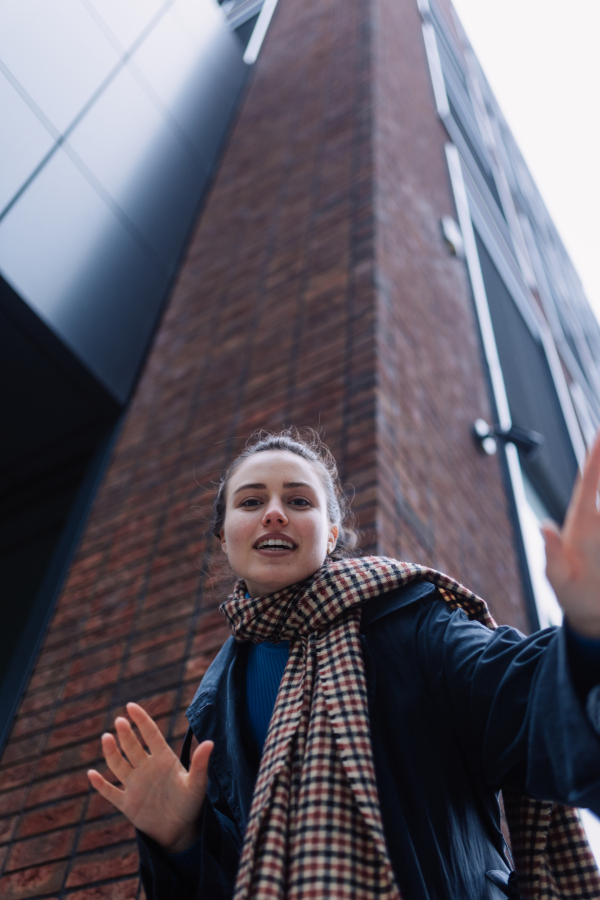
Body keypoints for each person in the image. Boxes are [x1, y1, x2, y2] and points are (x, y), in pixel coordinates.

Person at [87, 428, 600, 900]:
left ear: (331, 534)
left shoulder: (411, 621)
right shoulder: (213, 708)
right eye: (251, 501)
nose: (274, 512)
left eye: (298, 500)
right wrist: (182, 840)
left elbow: (522, 700)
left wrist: (586, 643)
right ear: (224, 537)